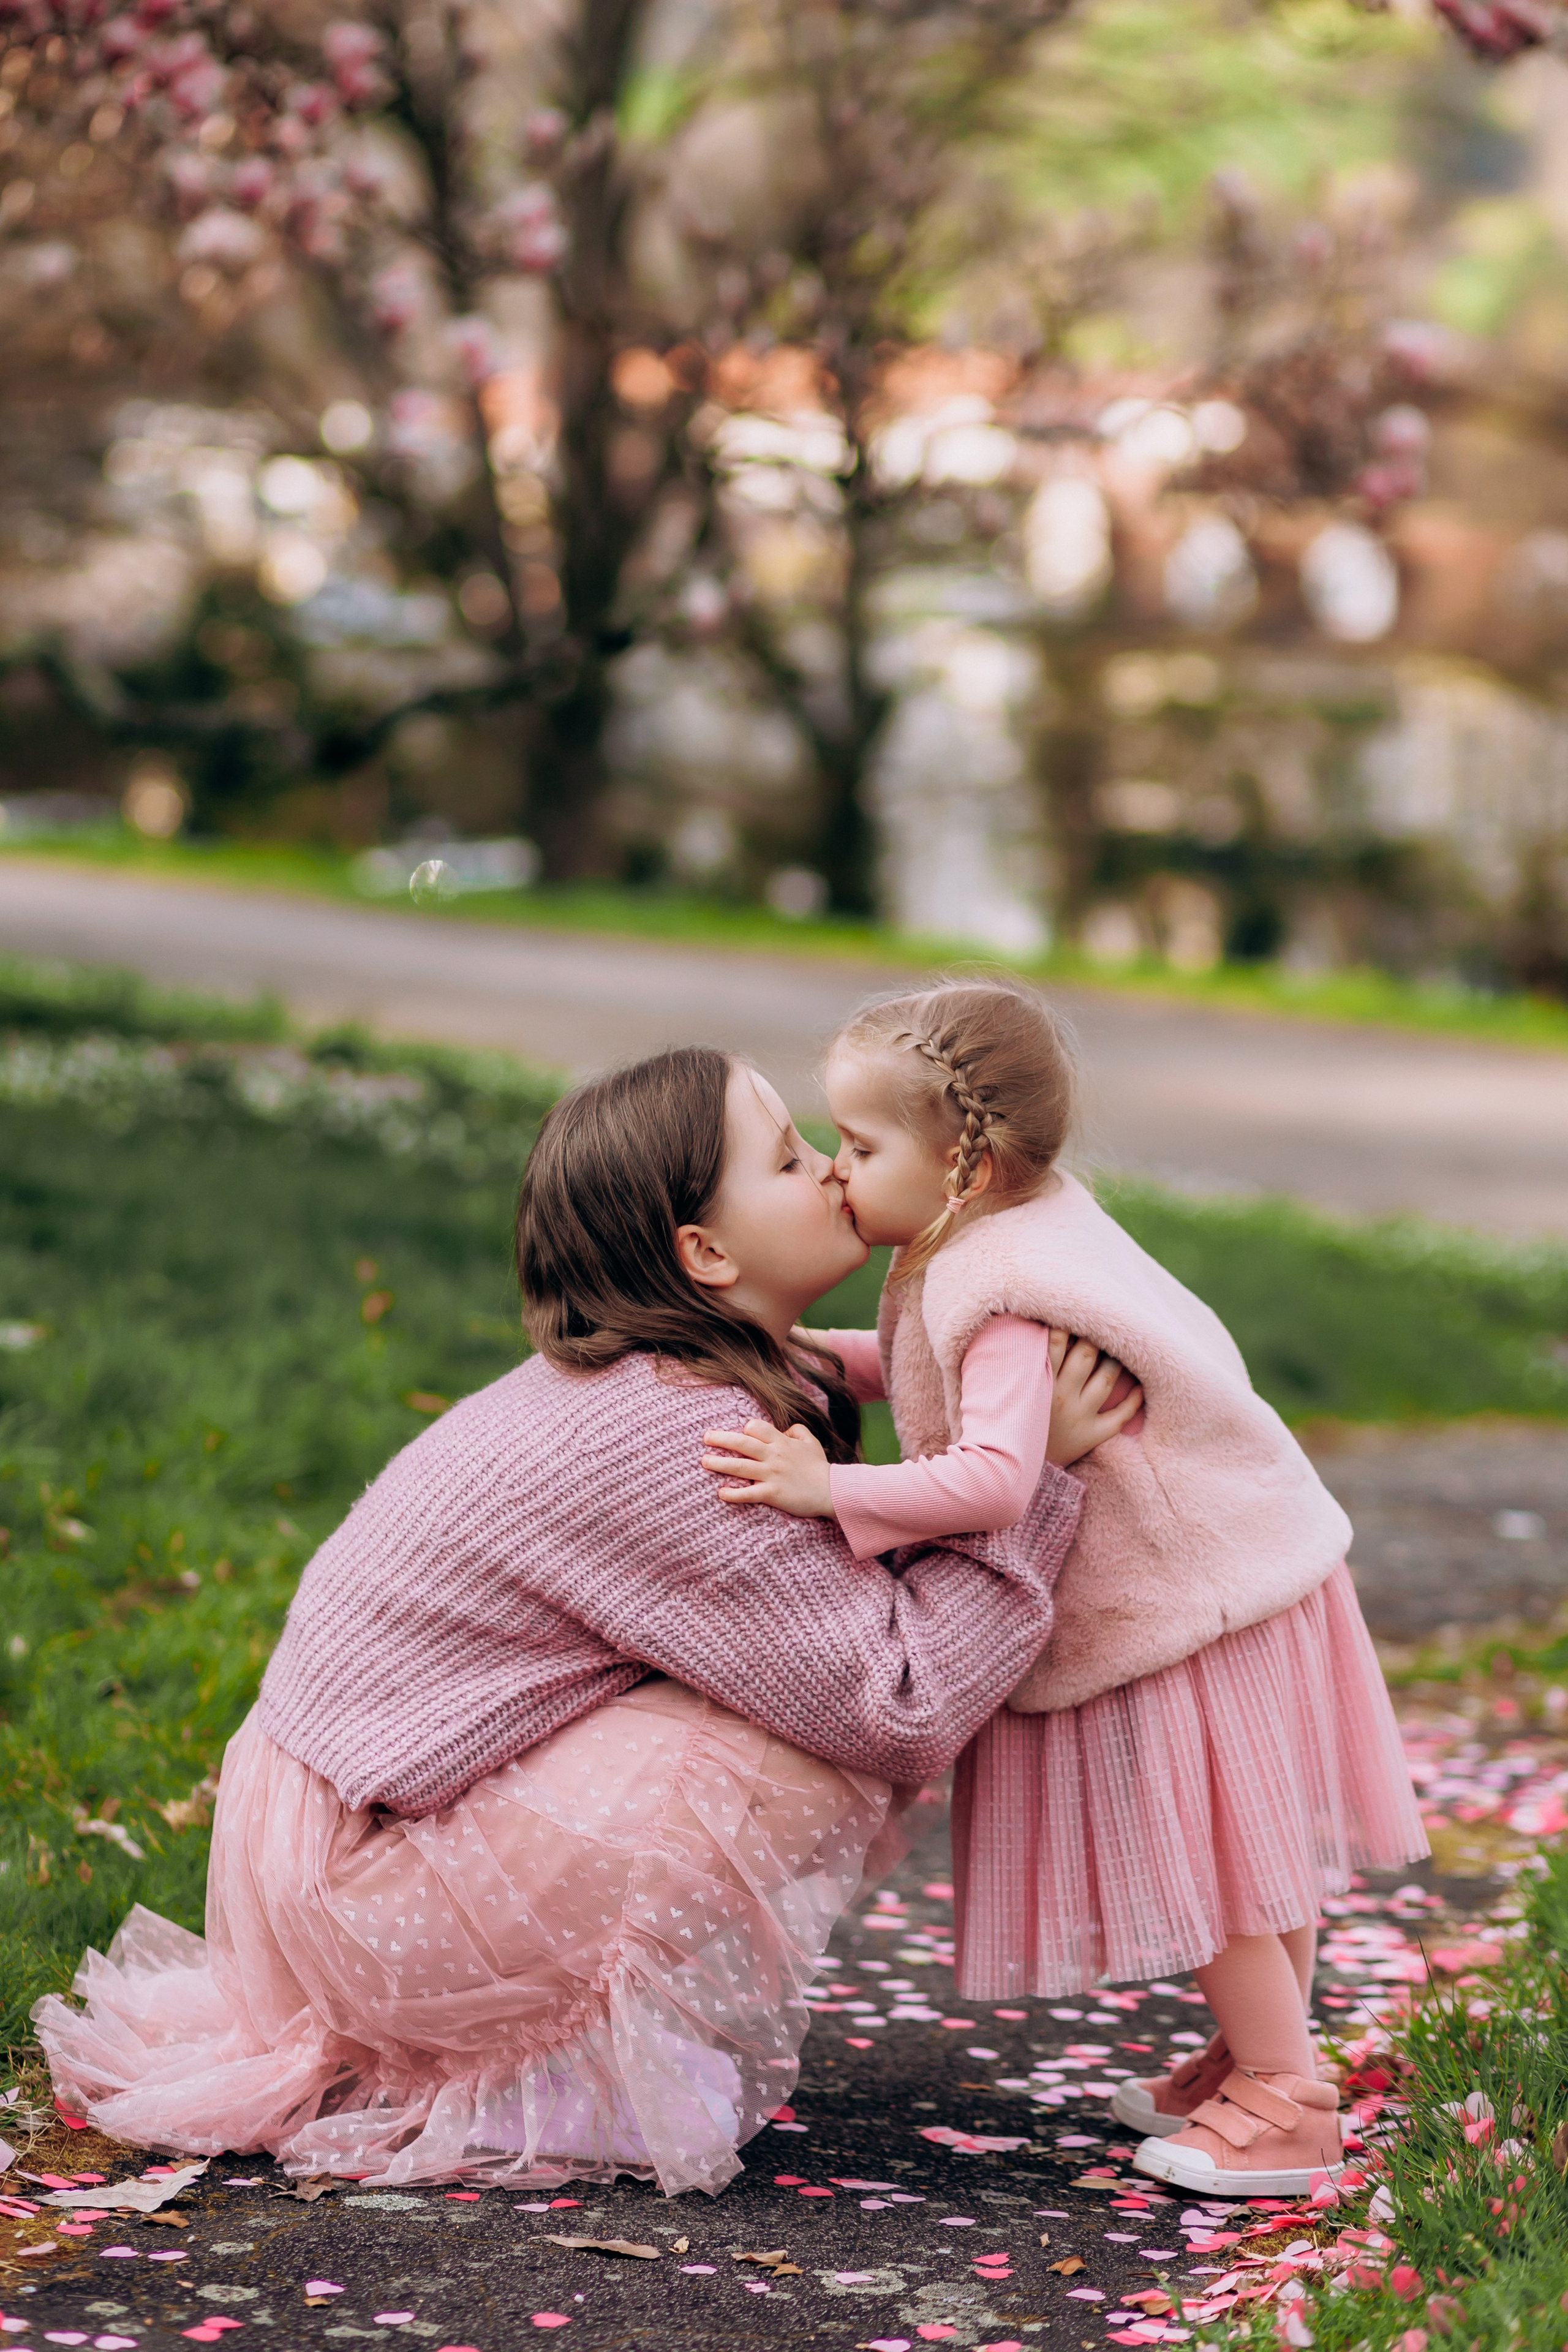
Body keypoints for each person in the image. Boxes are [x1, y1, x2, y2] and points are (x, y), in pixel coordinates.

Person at [35, 1046, 1121, 2199]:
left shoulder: (671, 1378)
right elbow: (898, 1706)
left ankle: (528, 2043)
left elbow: (856, 1446)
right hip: (365, 1890)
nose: (828, 1174)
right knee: (803, 1733)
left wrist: (976, 1415)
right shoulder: (679, 1440)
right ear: (705, 1254)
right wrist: (1029, 1483)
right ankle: (529, 2070)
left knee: (782, 1672)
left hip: (346, 1841)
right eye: (792, 1158)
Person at [700, 980, 1428, 2198]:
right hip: (1243, 1569)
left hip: (1187, 1603)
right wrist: (813, 1358)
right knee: (1248, 1851)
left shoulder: (1003, 1285)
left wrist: (825, 1490)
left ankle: (1288, 2103)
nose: (835, 1172)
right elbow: (938, 1369)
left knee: (1217, 1863)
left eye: (860, 1146)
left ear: (962, 1169)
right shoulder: (1005, 1233)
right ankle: (1258, 2056)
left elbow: (989, 1474)